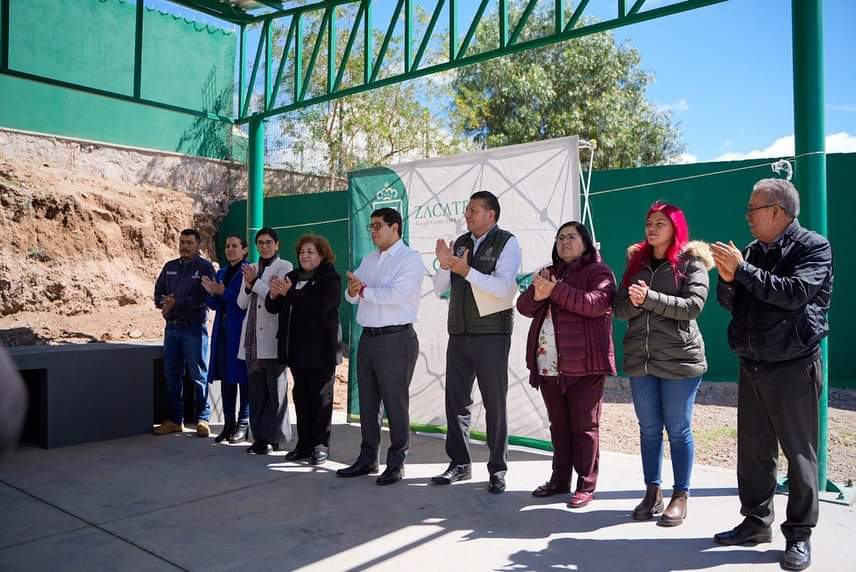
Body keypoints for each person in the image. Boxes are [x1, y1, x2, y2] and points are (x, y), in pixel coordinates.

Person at [711, 178, 833, 571]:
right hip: (753, 362)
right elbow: (732, 303)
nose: (747, 216)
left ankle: (798, 535)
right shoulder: (750, 252)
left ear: (777, 212)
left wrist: (743, 270)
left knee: (799, 455)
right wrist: (728, 279)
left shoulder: (813, 247)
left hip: (794, 365)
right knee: (753, 452)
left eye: (753, 209)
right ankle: (756, 521)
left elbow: (793, 292)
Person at [614, 202, 712, 527]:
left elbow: (693, 306)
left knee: (679, 429)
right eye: (649, 222)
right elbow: (619, 307)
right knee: (649, 429)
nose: (652, 228)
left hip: (680, 360)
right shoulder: (637, 261)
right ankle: (652, 492)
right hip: (641, 361)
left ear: (675, 227)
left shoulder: (691, 262)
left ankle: (680, 495)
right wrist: (634, 301)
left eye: (660, 223)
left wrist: (650, 298)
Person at [516, 221, 616, 508]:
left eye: (572, 237)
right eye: (560, 238)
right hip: (549, 364)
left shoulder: (599, 272)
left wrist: (555, 291)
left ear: (586, 242)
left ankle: (586, 485)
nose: (565, 242)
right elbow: (524, 307)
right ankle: (559, 480)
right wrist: (539, 293)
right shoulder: (550, 272)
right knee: (559, 426)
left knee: (585, 426)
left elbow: (595, 304)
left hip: (586, 365)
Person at [431, 190, 522, 494]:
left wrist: (467, 270)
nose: (467, 214)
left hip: (492, 334)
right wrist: (445, 265)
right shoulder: (461, 243)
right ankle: (459, 464)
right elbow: (440, 288)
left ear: (491, 215)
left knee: (495, 402)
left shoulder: (507, 242)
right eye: (467, 210)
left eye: (473, 210)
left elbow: (502, 288)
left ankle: (497, 468)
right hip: (459, 332)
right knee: (456, 401)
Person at [337, 208, 424, 485]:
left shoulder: (410, 259)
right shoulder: (369, 259)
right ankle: (367, 458)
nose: (373, 231)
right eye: (370, 227)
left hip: (396, 339)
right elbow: (352, 296)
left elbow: (397, 296)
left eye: (378, 226)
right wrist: (352, 291)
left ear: (395, 227)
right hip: (369, 338)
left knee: (395, 403)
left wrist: (363, 291)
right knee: (369, 403)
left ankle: (397, 462)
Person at [266, 234, 342, 466]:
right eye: (301, 252)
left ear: (322, 254)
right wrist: (274, 294)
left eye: (310, 252)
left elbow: (320, 306)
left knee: (321, 399)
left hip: (321, 351)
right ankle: (304, 444)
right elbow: (273, 307)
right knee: (301, 398)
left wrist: (290, 294)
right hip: (296, 350)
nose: (304, 256)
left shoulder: (330, 278)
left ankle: (321, 445)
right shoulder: (292, 276)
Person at [153, 228, 216, 437]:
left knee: (198, 375)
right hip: (171, 329)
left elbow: (203, 299)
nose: (184, 246)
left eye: (189, 243)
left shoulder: (205, 267)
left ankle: (203, 419)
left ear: (198, 245)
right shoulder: (170, 266)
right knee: (172, 375)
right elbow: (158, 293)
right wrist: (164, 302)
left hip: (194, 329)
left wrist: (176, 303)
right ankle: (175, 420)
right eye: (182, 242)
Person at [237, 228, 293, 455]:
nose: (264, 246)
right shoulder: (251, 268)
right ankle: (259, 437)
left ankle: (276, 437)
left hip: (272, 337)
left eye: (268, 242)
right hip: (252, 340)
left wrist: (256, 281)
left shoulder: (285, 266)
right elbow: (241, 302)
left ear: (277, 245)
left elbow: (275, 296)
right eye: (260, 243)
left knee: (276, 390)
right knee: (257, 392)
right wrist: (249, 283)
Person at [202, 234, 250, 444]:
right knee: (226, 377)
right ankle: (228, 423)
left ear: (245, 250)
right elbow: (214, 304)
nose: (230, 249)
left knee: (242, 377)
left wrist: (224, 292)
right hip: (221, 332)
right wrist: (211, 292)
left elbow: (244, 301)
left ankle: (243, 423)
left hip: (239, 332)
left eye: (235, 246)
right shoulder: (221, 272)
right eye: (228, 246)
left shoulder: (248, 271)